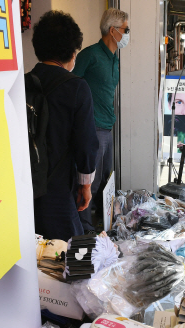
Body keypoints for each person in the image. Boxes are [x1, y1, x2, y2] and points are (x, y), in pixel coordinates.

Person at [29, 11, 99, 241]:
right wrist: (85, 186)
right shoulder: (77, 88)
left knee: (35, 255)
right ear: (71, 52)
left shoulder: (23, 83)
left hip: (25, 189)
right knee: (76, 262)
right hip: (59, 190)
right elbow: (86, 145)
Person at [73, 8, 128, 232]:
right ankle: (85, 230)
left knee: (105, 181)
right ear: (113, 31)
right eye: (126, 29)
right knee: (89, 183)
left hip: (107, 126)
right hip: (92, 127)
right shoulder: (91, 55)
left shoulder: (114, 57)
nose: (127, 34)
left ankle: (103, 225)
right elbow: (71, 83)